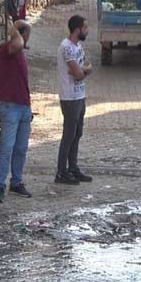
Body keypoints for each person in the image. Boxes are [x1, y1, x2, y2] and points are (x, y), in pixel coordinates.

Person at [0, 20, 34, 203]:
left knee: (21, 148)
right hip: (10, 107)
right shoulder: (5, 49)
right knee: (7, 148)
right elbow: (16, 43)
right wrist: (15, 31)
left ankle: (16, 182)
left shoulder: (20, 53)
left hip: (23, 106)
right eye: (26, 34)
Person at [56, 14, 93, 185]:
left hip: (80, 95)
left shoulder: (78, 46)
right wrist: (82, 71)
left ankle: (73, 167)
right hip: (70, 97)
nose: (87, 31)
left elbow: (86, 66)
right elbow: (78, 73)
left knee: (77, 133)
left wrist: (81, 70)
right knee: (69, 134)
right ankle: (61, 172)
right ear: (77, 29)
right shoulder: (67, 48)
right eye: (85, 27)